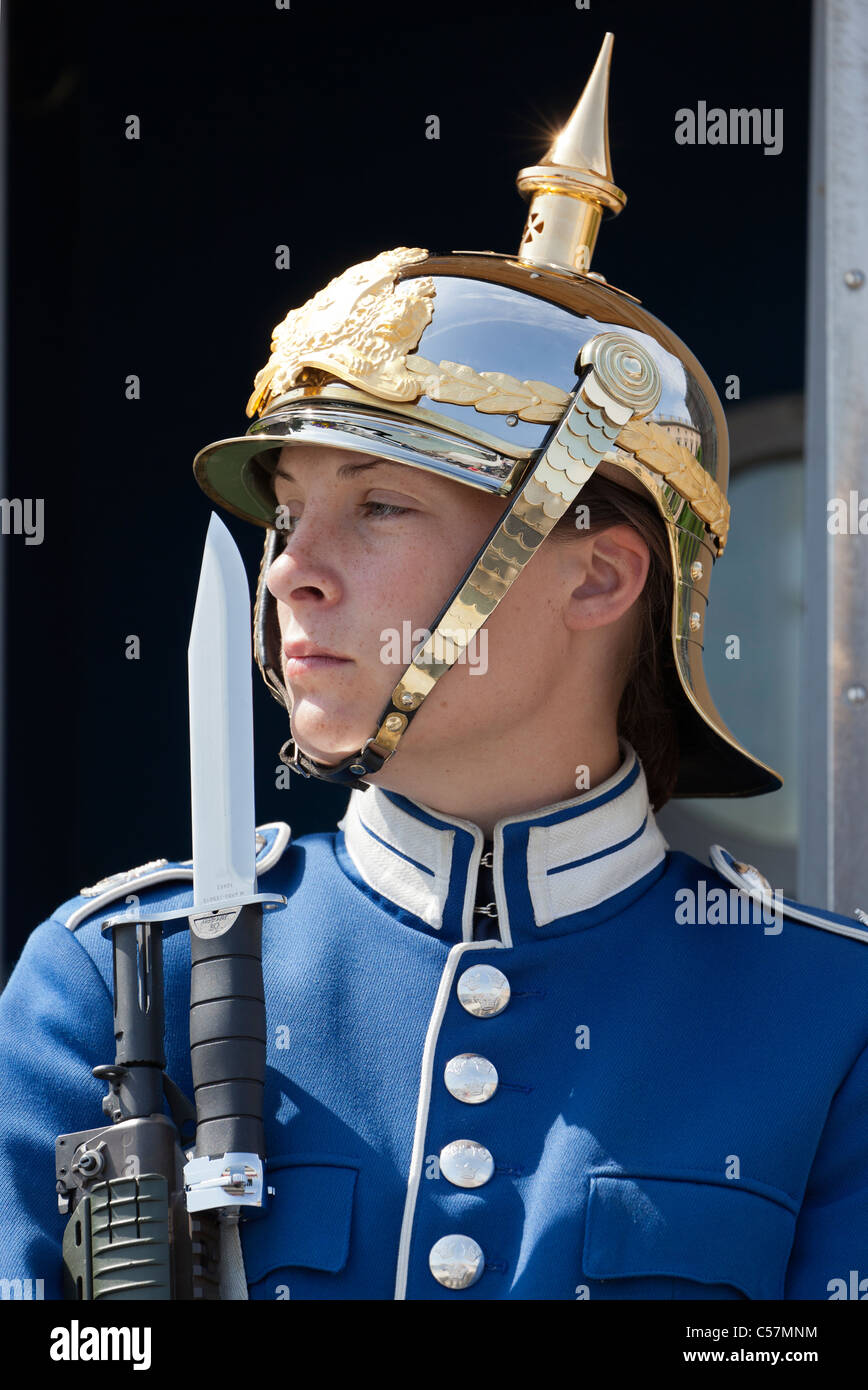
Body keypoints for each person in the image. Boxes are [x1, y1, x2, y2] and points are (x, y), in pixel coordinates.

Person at [1, 33, 867, 1303]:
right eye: (287, 510)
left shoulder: (828, 1016)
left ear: (598, 576)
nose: (292, 567)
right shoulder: (117, 977)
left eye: (382, 507)